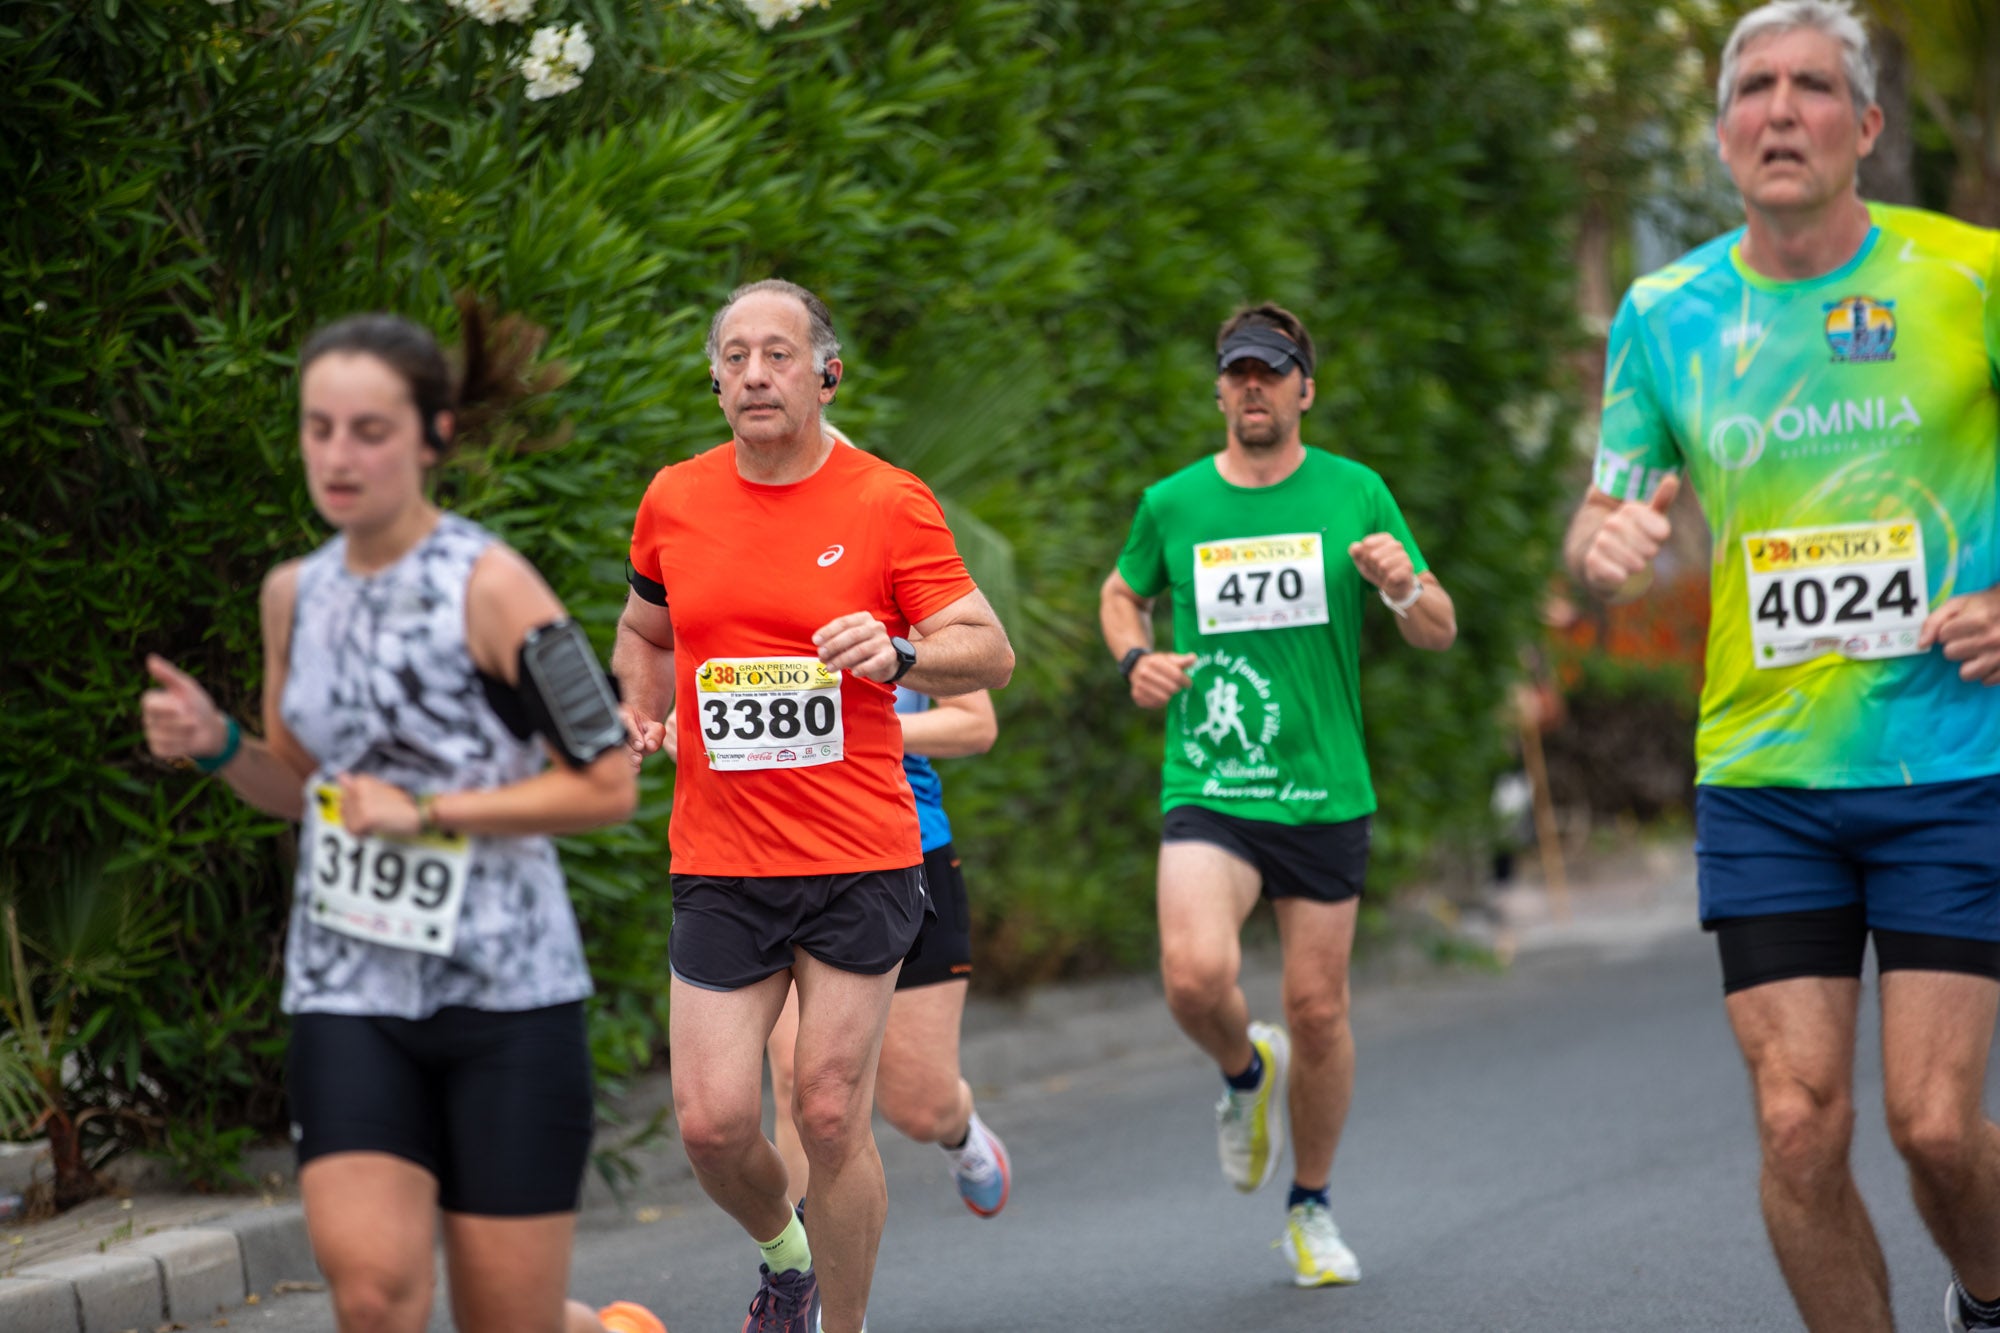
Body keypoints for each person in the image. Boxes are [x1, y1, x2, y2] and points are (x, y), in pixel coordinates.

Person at [1562, 4, 2000, 1329]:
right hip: (1765, 780)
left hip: (1951, 765)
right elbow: (1604, 515)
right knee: (1799, 1130)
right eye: (1755, 87)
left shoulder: (1969, 275)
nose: (1782, 109)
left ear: (1866, 127)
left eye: (1815, 86)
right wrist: (1606, 544)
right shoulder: (1666, 313)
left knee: (1932, 1126)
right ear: (1721, 132)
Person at [139, 308, 662, 1333]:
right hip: (350, 986)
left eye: (369, 430)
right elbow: (300, 785)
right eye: (318, 427)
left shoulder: (495, 586)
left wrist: (428, 807)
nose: (337, 455)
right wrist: (213, 743)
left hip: (507, 995)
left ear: (433, 437)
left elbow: (607, 784)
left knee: (502, 1319)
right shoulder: (292, 594)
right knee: (373, 1293)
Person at [613, 279, 1014, 1333]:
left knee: (830, 1112)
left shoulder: (887, 501)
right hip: (719, 856)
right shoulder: (675, 499)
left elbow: (990, 651)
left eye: (778, 354)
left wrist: (902, 649)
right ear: (713, 379)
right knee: (707, 1124)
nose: (754, 373)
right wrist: (639, 708)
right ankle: (784, 1258)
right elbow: (644, 632)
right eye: (735, 355)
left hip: (858, 855)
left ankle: (843, 1324)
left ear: (824, 372)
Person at [1098, 302, 1456, 1287]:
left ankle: (1310, 1205)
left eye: (1271, 371)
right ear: (1219, 389)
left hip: (1323, 787)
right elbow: (1120, 589)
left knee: (1317, 1006)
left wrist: (1397, 585)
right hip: (1210, 779)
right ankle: (1242, 1074)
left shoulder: (1354, 491)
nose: (1252, 387)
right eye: (1236, 373)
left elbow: (1438, 625)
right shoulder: (1172, 503)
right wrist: (1134, 655)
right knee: (1190, 975)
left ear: (1304, 387)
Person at [765, 682, 1011, 1220]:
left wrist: (844, 736)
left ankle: (958, 1128)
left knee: (921, 1109)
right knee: (797, 1084)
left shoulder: (900, 599)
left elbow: (975, 723)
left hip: (901, 850)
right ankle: (803, 1287)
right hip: (773, 855)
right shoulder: (726, 598)